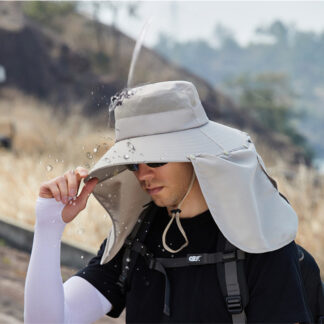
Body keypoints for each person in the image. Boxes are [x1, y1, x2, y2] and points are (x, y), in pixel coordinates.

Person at [24, 81, 312, 323]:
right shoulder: (135, 237)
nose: (143, 175)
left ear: (194, 155)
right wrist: (49, 225)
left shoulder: (258, 237)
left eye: (155, 158)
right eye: (133, 164)